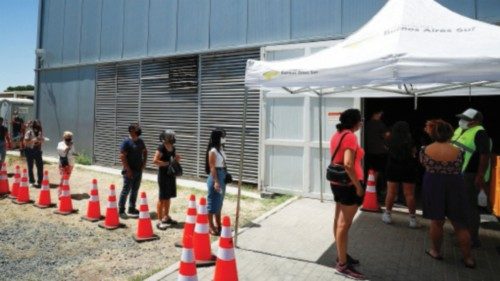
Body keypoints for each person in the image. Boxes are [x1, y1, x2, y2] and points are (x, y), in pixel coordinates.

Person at [420, 120, 475, 268]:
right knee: (460, 224)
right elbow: (460, 165)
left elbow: (424, 164)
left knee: (436, 221)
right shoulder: (459, 151)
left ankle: (435, 251)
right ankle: (468, 258)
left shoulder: (425, 150)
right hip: (455, 184)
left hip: (433, 184)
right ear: (450, 133)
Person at [329, 109, 366, 280]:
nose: (361, 123)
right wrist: (358, 187)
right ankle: (342, 265)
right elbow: (348, 164)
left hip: (337, 184)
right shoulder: (350, 136)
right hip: (349, 185)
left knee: (338, 221)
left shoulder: (337, 134)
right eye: (361, 120)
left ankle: (341, 255)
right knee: (344, 225)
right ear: (355, 122)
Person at [451, 108, 491, 248]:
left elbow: (484, 155)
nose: (462, 121)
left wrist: (480, 175)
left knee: (470, 207)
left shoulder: (480, 132)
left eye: (466, 119)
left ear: (476, 121)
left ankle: (472, 239)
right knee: (460, 205)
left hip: (470, 174)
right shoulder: (461, 130)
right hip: (457, 173)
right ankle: (463, 232)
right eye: (462, 118)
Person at [382, 121, 419, 228]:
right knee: (409, 195)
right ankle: (412, 220)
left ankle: (387, 215)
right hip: (408, 168)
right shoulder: (410, 140)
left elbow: (385, 149)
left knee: (391, 192)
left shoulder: (389, 140)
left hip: (393, 168)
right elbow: (414, 153)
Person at [153, 130, 181, 230]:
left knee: (168, 197)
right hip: (163, 175)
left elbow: (172, 161)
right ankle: (159, 220)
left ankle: (166, 217)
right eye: (171, 137)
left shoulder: (173, 148)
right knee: (162, 198)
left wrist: (176, 160)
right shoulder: (161, 147)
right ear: (166, 138)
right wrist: (167, 163)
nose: (173, 138)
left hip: (170, 175)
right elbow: (155, 161)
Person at [118, 123, 147, 218]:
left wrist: (144, 164)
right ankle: (121, 210)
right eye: (137, 129)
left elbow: (145, 151)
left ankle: (132, 208)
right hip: (129, 171)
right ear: (131, 131)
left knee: (135, 190)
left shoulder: (140, 141)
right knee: (126, 190)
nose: (139, 130)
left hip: (138, 170)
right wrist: (128, 169)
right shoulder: (126, 142)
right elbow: (122, 156)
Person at [205, 128, 228, 236]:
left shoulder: (221, 149)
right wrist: (216, 181)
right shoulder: (213, 150)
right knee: (212, 202)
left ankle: (218, 224)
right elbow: (212, 166)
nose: (224, 138)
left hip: (222, 174)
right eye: (222, 136)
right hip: (216, 176)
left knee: (219, 202)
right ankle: (210, 225)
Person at [364, 110, 389, 201]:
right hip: (380, 152)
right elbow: (387, 136)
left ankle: (370, 192)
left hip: (369, 152)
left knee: (371, 173)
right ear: (375, 114)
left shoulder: (366, 124)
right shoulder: (380, 124)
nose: (381, 115)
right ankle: (376, 193)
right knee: (378, 174)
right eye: (380, 114)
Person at [24, 120, 44, 187]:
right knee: (30, 166)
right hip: (29, 150)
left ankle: (40, 182)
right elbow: (26, 142)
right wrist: (33, 140)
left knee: (40, 167)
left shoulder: (40, 132)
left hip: (37, 150)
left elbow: (40, 141)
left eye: (39, 124)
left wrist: (41, 141)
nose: (39, 126)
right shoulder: (29, 132)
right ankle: (31, 181)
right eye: (37, 124)